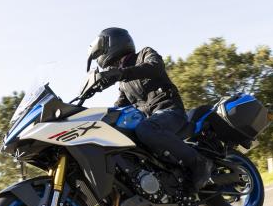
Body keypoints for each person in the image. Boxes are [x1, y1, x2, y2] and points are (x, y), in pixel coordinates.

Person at [86, 27, 213, 190]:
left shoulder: (144, 54)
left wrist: (121, 73)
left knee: (146, 129)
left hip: (170, 111)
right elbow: (119, 107)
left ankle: (199, 162)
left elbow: (155, 66)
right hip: (151, 120)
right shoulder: (123, 84)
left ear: (113, 43)